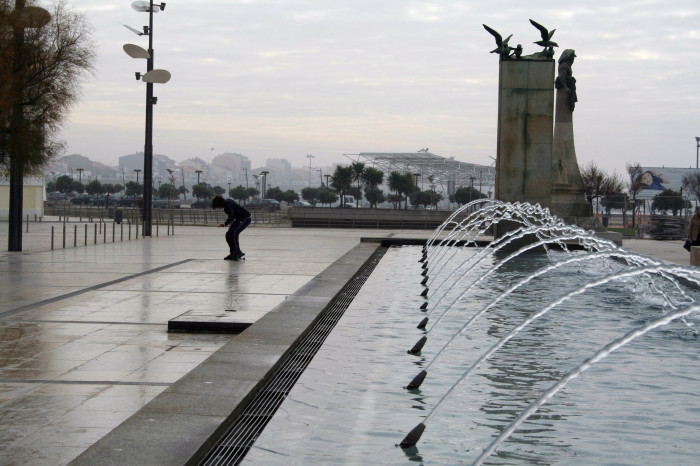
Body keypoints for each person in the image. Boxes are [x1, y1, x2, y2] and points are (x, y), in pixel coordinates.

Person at [211, 195, 251, 260]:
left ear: (219, 204)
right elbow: (234, 212)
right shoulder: (228, 201)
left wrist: (225, 223)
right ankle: (236, 252)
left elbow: (231, 214)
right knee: (232, 234)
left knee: (230, 234)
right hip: (242, 218)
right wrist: (231, 221)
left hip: (244, 218)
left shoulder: (227, 205)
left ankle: (235, 252)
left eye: (217, 206)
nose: (219, 208)